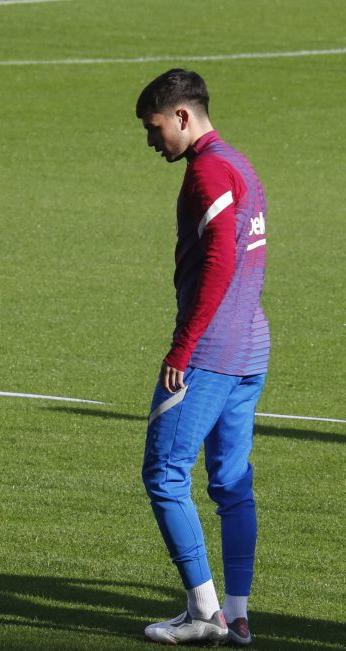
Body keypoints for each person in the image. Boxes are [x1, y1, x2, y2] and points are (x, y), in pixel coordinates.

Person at [135, 69, 269, 646]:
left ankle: (204, 612)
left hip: (210, 353)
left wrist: (182, 347)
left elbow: (220, 264)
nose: (151, 140)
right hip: (250, 349)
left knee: (165, 475)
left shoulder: (208, 171)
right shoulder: (240, 164)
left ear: (182, 117)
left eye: (155, 126)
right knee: (232, 484)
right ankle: (236, 615)